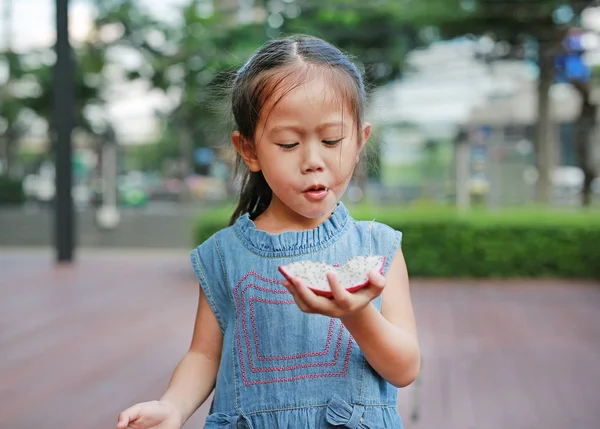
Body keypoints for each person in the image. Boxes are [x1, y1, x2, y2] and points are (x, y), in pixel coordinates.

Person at [116, 34, 420, 429]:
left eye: (331, 140)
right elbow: (205, 356)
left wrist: (356, 315)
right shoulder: (225, 254)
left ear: (360, 141)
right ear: (250, 150)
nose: (313, 160)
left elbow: (405, 367)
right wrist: (172, 407)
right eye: (289, 144)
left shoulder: (378, 248)